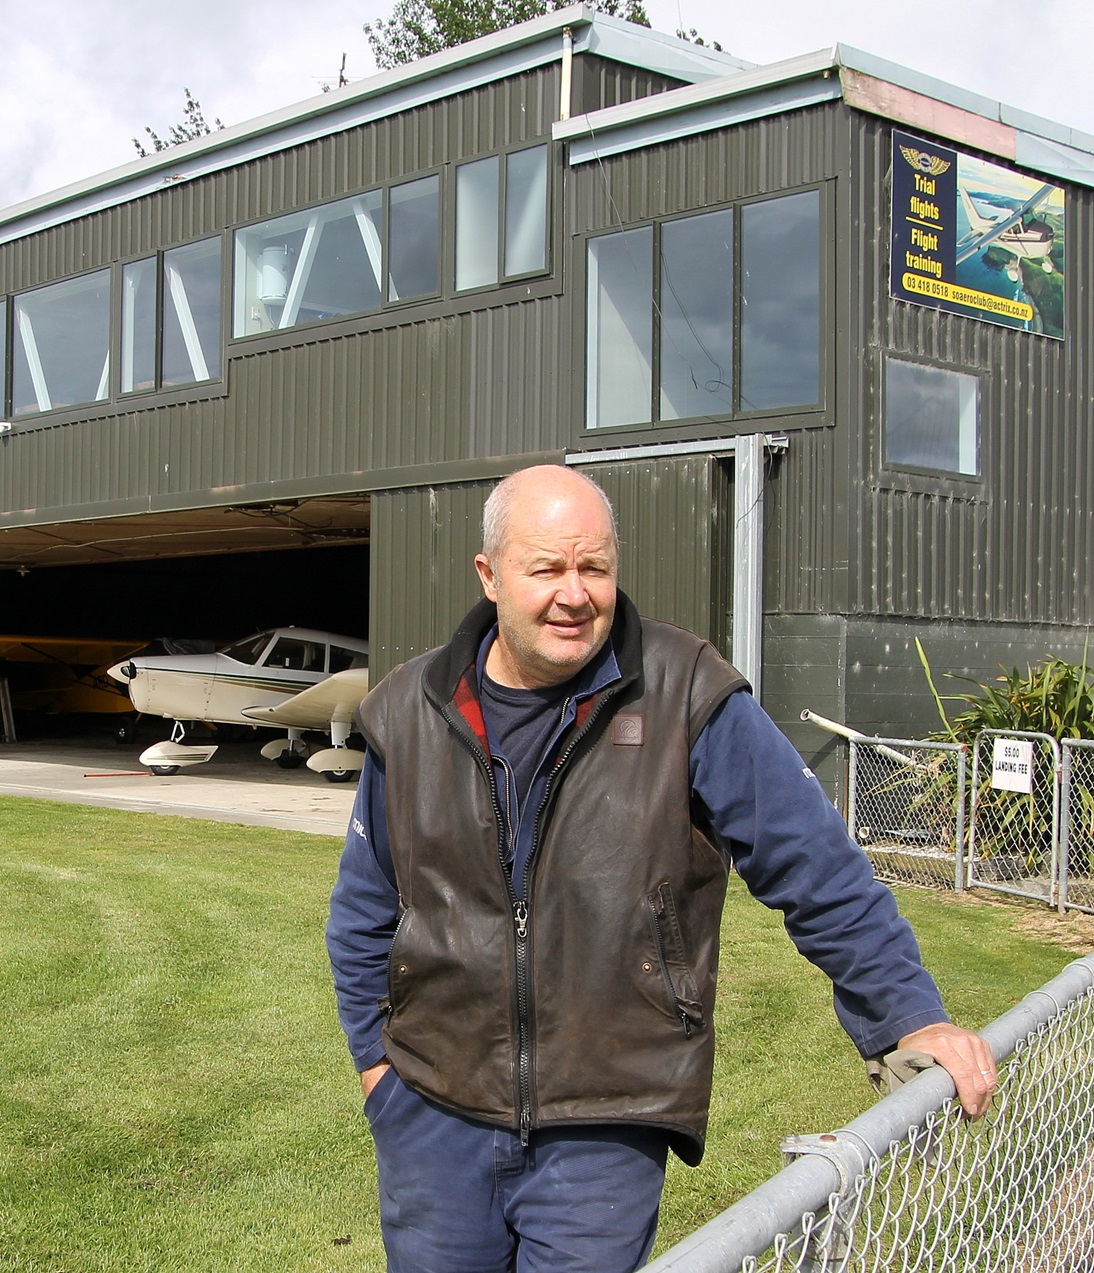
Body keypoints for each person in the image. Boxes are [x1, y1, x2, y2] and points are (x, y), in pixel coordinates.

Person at [326, 463, 996, 1273]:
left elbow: (814, 862)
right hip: (432, 1116)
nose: (575, 593)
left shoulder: (687, 692)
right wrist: (379, 1073)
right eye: (547, 568)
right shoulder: (408, 709)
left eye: (595, 567)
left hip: (608, 1122)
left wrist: (904, 1014)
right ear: (490, 574)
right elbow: (363, 913)